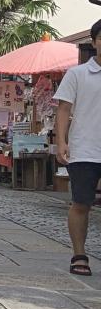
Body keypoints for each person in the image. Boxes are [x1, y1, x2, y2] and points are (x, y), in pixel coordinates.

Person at [53, 19, 101, 277]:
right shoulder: (78, 74)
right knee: (81, 203)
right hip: (85, 149)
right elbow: (64, 108)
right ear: (94, 42)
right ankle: (79, 254)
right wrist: (62, 142)